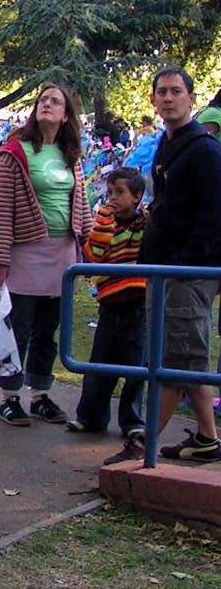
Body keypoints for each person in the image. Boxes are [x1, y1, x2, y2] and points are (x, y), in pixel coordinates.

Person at [0, 83, 91, 427]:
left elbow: (83, 205)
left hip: (63, 254)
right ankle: (9, 397)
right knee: (18, 328)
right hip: (25, 253)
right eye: (42, 100)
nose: (46, 104)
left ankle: (40, 395)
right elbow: (1, 211)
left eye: (55, 101)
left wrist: (90, 250)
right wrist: (0, 260)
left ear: (66, 116)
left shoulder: (70, 154)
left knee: (48, 329)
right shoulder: (14, 152)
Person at [138, 67, 221, 463]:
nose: (168, 98)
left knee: (174, 359)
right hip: (163, 269)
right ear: (153, 100)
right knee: (187, 356)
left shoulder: (205, 150)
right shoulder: (167, 145)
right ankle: (207, 437)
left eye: (176, 91)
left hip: (188, 273)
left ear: (191, 98)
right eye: (161, 92)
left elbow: (213, 217)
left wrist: (186, 264)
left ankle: (144, 445)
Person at [71, 167, 147, 447]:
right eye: (110, 192)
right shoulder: (104, 222)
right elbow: (95, 254)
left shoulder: (145, 223)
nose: (113, 198)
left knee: (136, 368)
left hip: (138, 305)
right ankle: (91, 416)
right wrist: (104, 218)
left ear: (137, 196)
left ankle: (133, 422)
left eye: (120, 192)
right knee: (100, 363)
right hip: (110, 303)